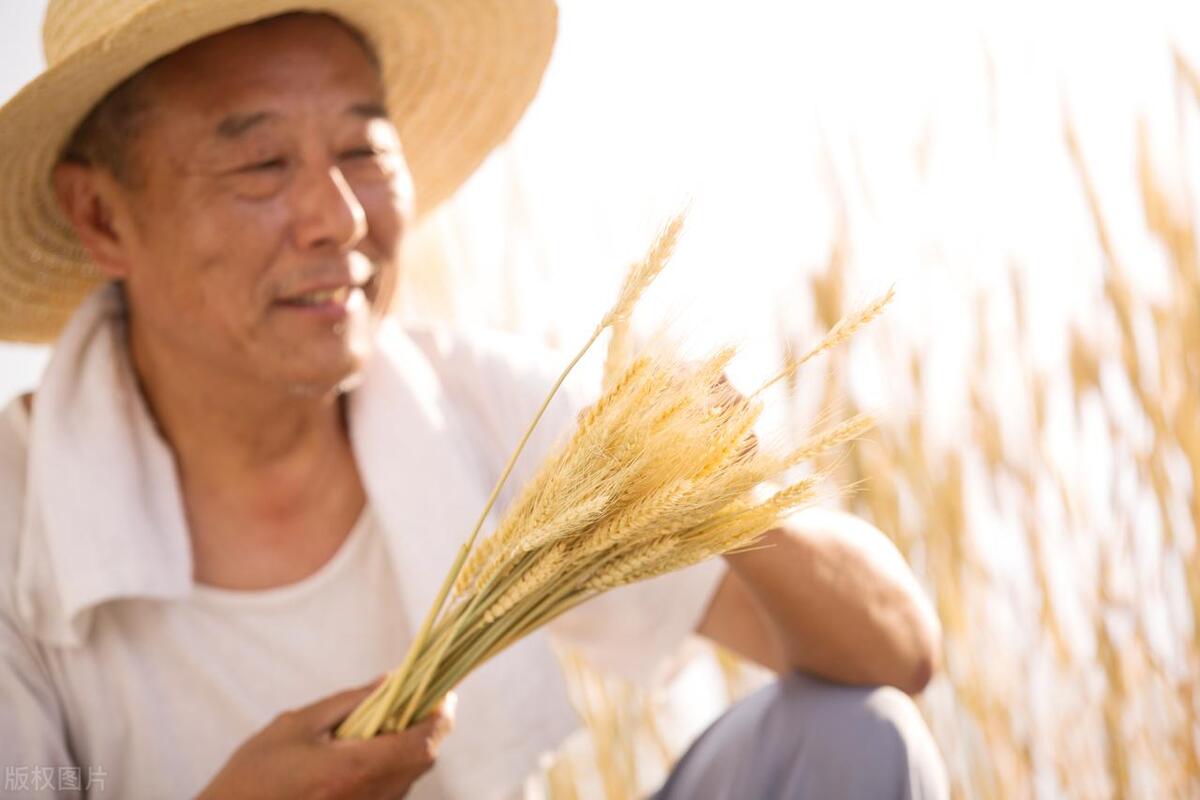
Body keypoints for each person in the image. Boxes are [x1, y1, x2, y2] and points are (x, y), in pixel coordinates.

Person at [0, 1, 948, 798]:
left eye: (363, 151)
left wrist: (721, 495)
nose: (339, 218)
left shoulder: (480, 404)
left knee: (853, 733)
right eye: (260, 166)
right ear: (101, 215)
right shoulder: (17, 521)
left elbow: (895, 654)